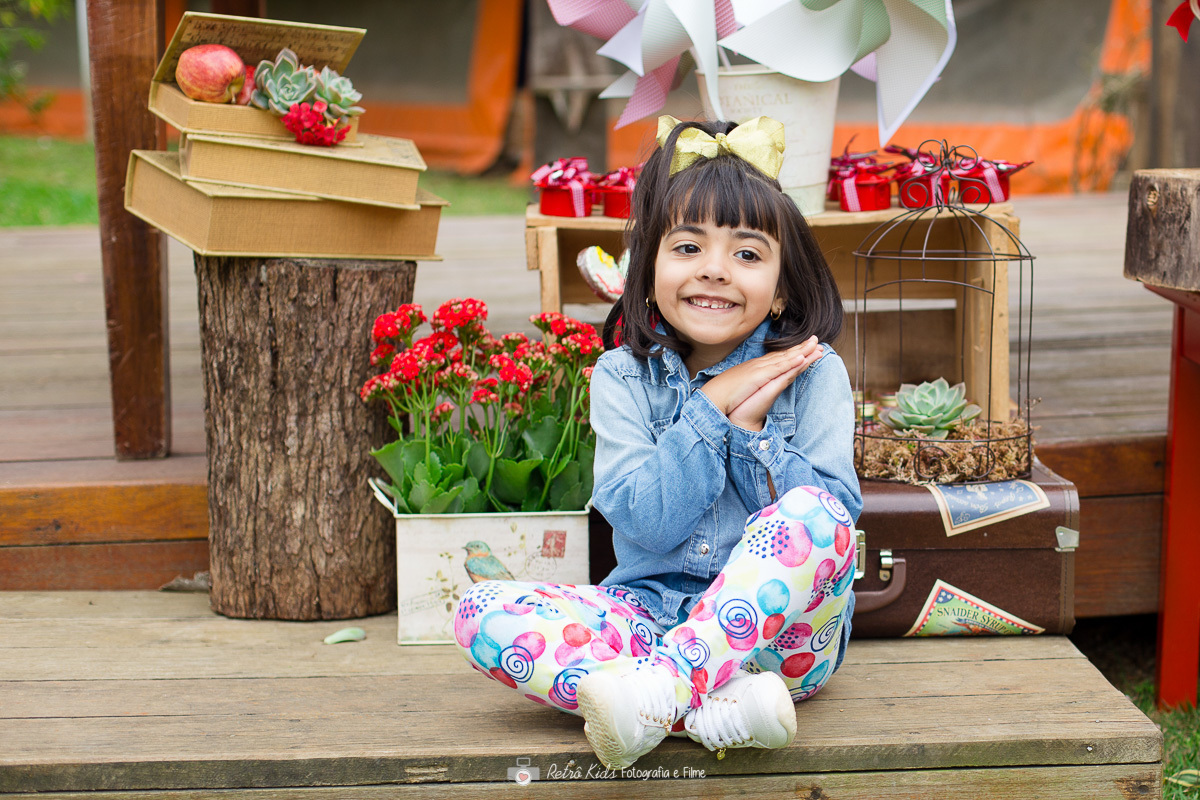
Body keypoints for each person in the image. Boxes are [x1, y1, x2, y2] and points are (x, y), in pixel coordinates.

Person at [452, 115, 861, 771]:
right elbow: (643, 520)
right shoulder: (621, 378)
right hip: (645, 622)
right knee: (481, 613)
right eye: (688, 248)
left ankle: (656, 695)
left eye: (748, 254)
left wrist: (751, 432)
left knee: (815, 514)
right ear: (647, 268)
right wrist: (709, 409)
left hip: (782, 647)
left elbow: (834, 526)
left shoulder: (816, 376)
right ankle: (711, 709)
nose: (716, 271)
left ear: (782, 290)